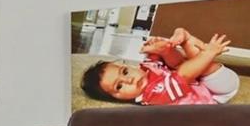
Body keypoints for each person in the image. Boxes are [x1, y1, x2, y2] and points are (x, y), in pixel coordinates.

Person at [81, 28, 237, 106]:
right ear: (117, 99)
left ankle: (186, 38)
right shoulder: (152, 96)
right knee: (188, 69)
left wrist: (161, 47)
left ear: (128, 65)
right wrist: (206, 54)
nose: (129, 80)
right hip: (214, 97)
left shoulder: (146, 67)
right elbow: (182, 76)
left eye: (125, 72)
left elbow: (171, 61)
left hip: (201, 85)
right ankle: (207, 52)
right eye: (119, 86)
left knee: (176, 61)